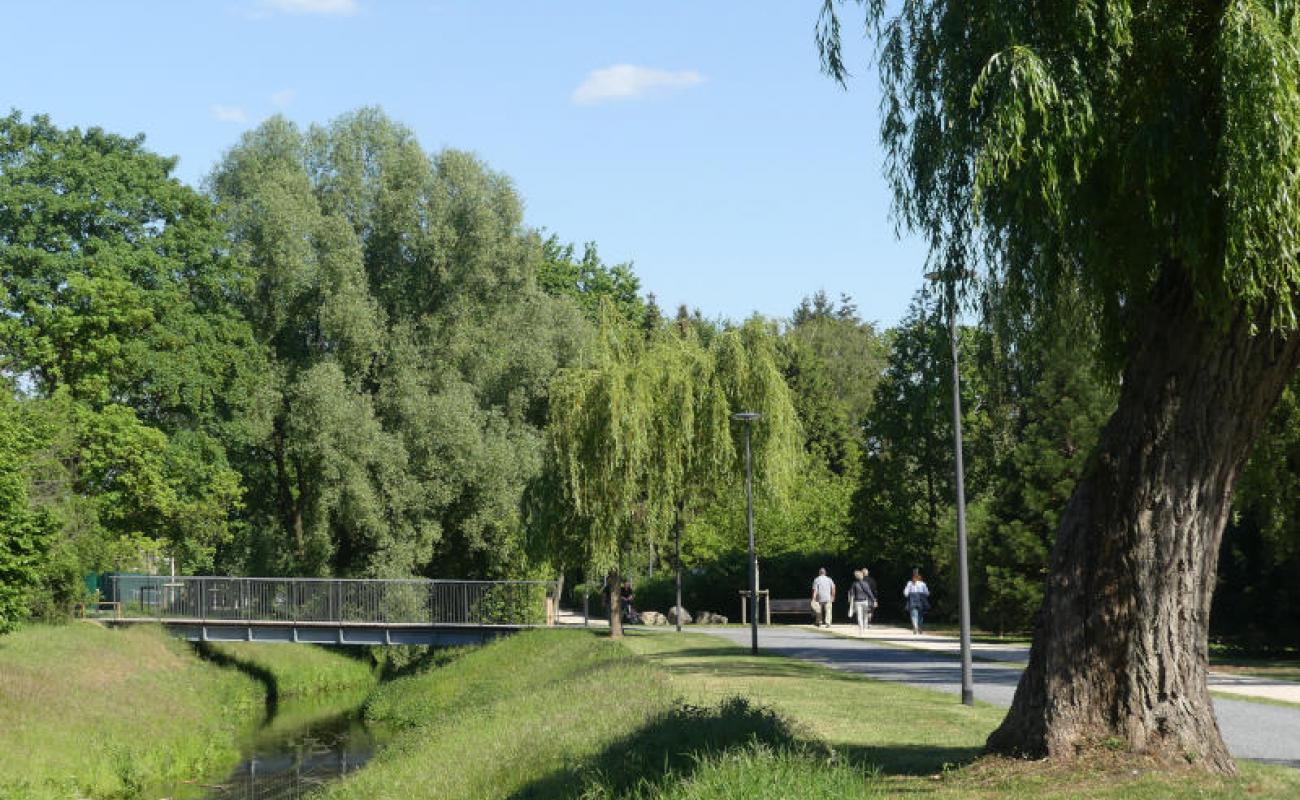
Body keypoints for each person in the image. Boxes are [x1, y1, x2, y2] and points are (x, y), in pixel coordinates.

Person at [848, 569, 877, 634]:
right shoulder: (865, 584)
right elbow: (869, 592)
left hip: (857, 602)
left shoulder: (854, 584)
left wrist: (851, 602)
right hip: (865, 601)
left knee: (859, 616)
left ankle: (861, 629)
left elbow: (852, 594)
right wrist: (874, 600)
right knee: (865, 615)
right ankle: (865, 627)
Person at [903, 570, 930, 635]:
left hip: (912, 598)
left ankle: (915, 626)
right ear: (919, 576)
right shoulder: (922, 583)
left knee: (913, 614)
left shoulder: (909, 583)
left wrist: (907, 594)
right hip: (921, 599)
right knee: (920, 615)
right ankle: (919, 627)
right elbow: (927, 593)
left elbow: (906, 593)